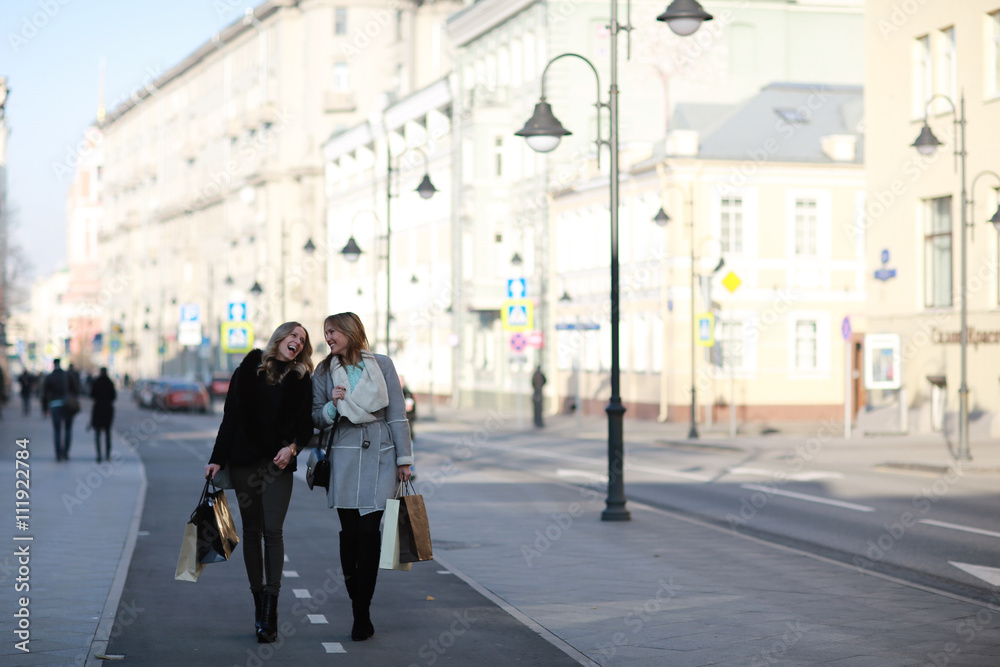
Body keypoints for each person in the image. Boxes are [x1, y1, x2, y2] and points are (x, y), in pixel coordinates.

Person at [204, 322, 314, 643]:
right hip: (243, 461)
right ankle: (259, 605)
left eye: (302, 340)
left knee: (273, 531)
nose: (297, 341)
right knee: (251, 531)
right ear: (280, 337)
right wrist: (216, 458)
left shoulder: (300, 378)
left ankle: (272, 607)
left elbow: (306, 425)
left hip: (278, 464)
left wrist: (292, 449)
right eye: (293, 335)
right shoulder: (248, 369)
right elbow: (231, 418)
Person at [311, 312, 412, 642]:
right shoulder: (324, 371)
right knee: (350, 533)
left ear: (351, 332)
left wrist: (404, 458)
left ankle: (361, 612)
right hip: (344, 455)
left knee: (370, 532)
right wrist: (331, 405)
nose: (328, 337)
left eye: (333, 331)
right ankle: (357, 597)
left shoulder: (382, 364)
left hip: (381, 454)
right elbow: (314, 415)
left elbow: (397, 414)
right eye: (326, 333)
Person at [42, 359, 81, 461]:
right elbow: (76, 390)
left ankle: (58, 454)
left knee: (57, 430)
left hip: (54, 405)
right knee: (68, 429)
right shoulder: (68, 376)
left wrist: (45, 408)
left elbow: (45, 394)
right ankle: (66, 452)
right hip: (67, 405)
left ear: (53, 365)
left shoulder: (50, 377)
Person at [90, 367, 117, 463]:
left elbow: (92, 395)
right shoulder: (110, 383)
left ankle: (99, 455)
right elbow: (114, 397)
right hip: (108, 410)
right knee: (108, 433)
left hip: (98, 409)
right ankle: (108, 455)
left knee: (97, 434)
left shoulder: (96, 382)